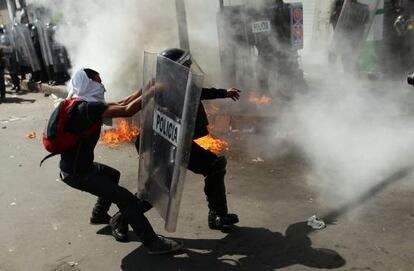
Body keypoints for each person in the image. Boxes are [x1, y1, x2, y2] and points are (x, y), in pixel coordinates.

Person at [110, 48, 241, 242]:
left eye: (188, 65)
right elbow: (130, 107)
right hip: (159, 145)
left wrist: (224, 93)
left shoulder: (181, 82)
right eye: (185, 65)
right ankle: (120, 219)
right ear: (173, 67)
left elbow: (199, 92)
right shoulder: (159, 86)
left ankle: (218, 216)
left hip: (179, 142)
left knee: (214, 166)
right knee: (157, 189)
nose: (188, 68)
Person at [58, 68, 182, 255]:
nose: (103, 86)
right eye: (99, 81)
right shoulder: (88, 109)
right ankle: (153, 243)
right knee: (126, 199)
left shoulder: (81, 103)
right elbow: (127, 110)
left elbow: (122, 102)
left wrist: (146, 87)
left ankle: (99, 215)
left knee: (111, 175)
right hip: (79, 173)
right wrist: (153, 91)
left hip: (76, 167)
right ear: (89, 83)